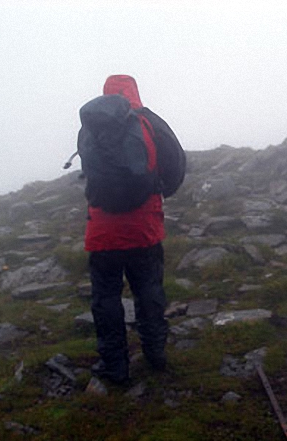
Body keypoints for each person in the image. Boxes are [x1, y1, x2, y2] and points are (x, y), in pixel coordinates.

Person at [81, 75, 180, 384]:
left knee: (106, 299)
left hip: (103, 230)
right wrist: (160, 192)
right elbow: (176, 165)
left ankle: (115, 369)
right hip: (144, 227)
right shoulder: (151, 122)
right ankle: (155, 355)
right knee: (149, 290)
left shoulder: (90, 126)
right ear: (134, 91)